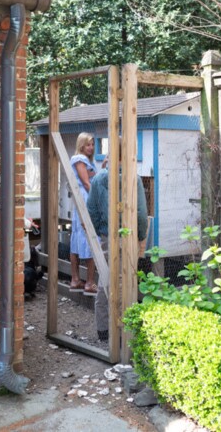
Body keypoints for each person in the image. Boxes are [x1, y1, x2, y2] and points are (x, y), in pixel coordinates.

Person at [87, 144, 148, 341]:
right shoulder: (134, 179)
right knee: (127, 282)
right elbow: (140, 213)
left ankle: (103, 330)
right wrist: (140, 236)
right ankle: (124, 330)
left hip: (107, 237)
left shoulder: (98, 180)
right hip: (128, 237)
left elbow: (92, 212)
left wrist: (102, 231)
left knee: (105, 280)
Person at [69, 132, 101, 295]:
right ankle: (89, 282)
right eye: (88, 144)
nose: (91, 147)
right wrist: (98, 201)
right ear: (81, 145)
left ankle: (75, 279)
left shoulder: (85, 161)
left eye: (93, 144)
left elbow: (93, 177)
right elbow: (88, 184)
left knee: (78, 237)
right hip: (86, 200)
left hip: (81, 201)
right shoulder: (79, 160)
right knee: (91, 237)